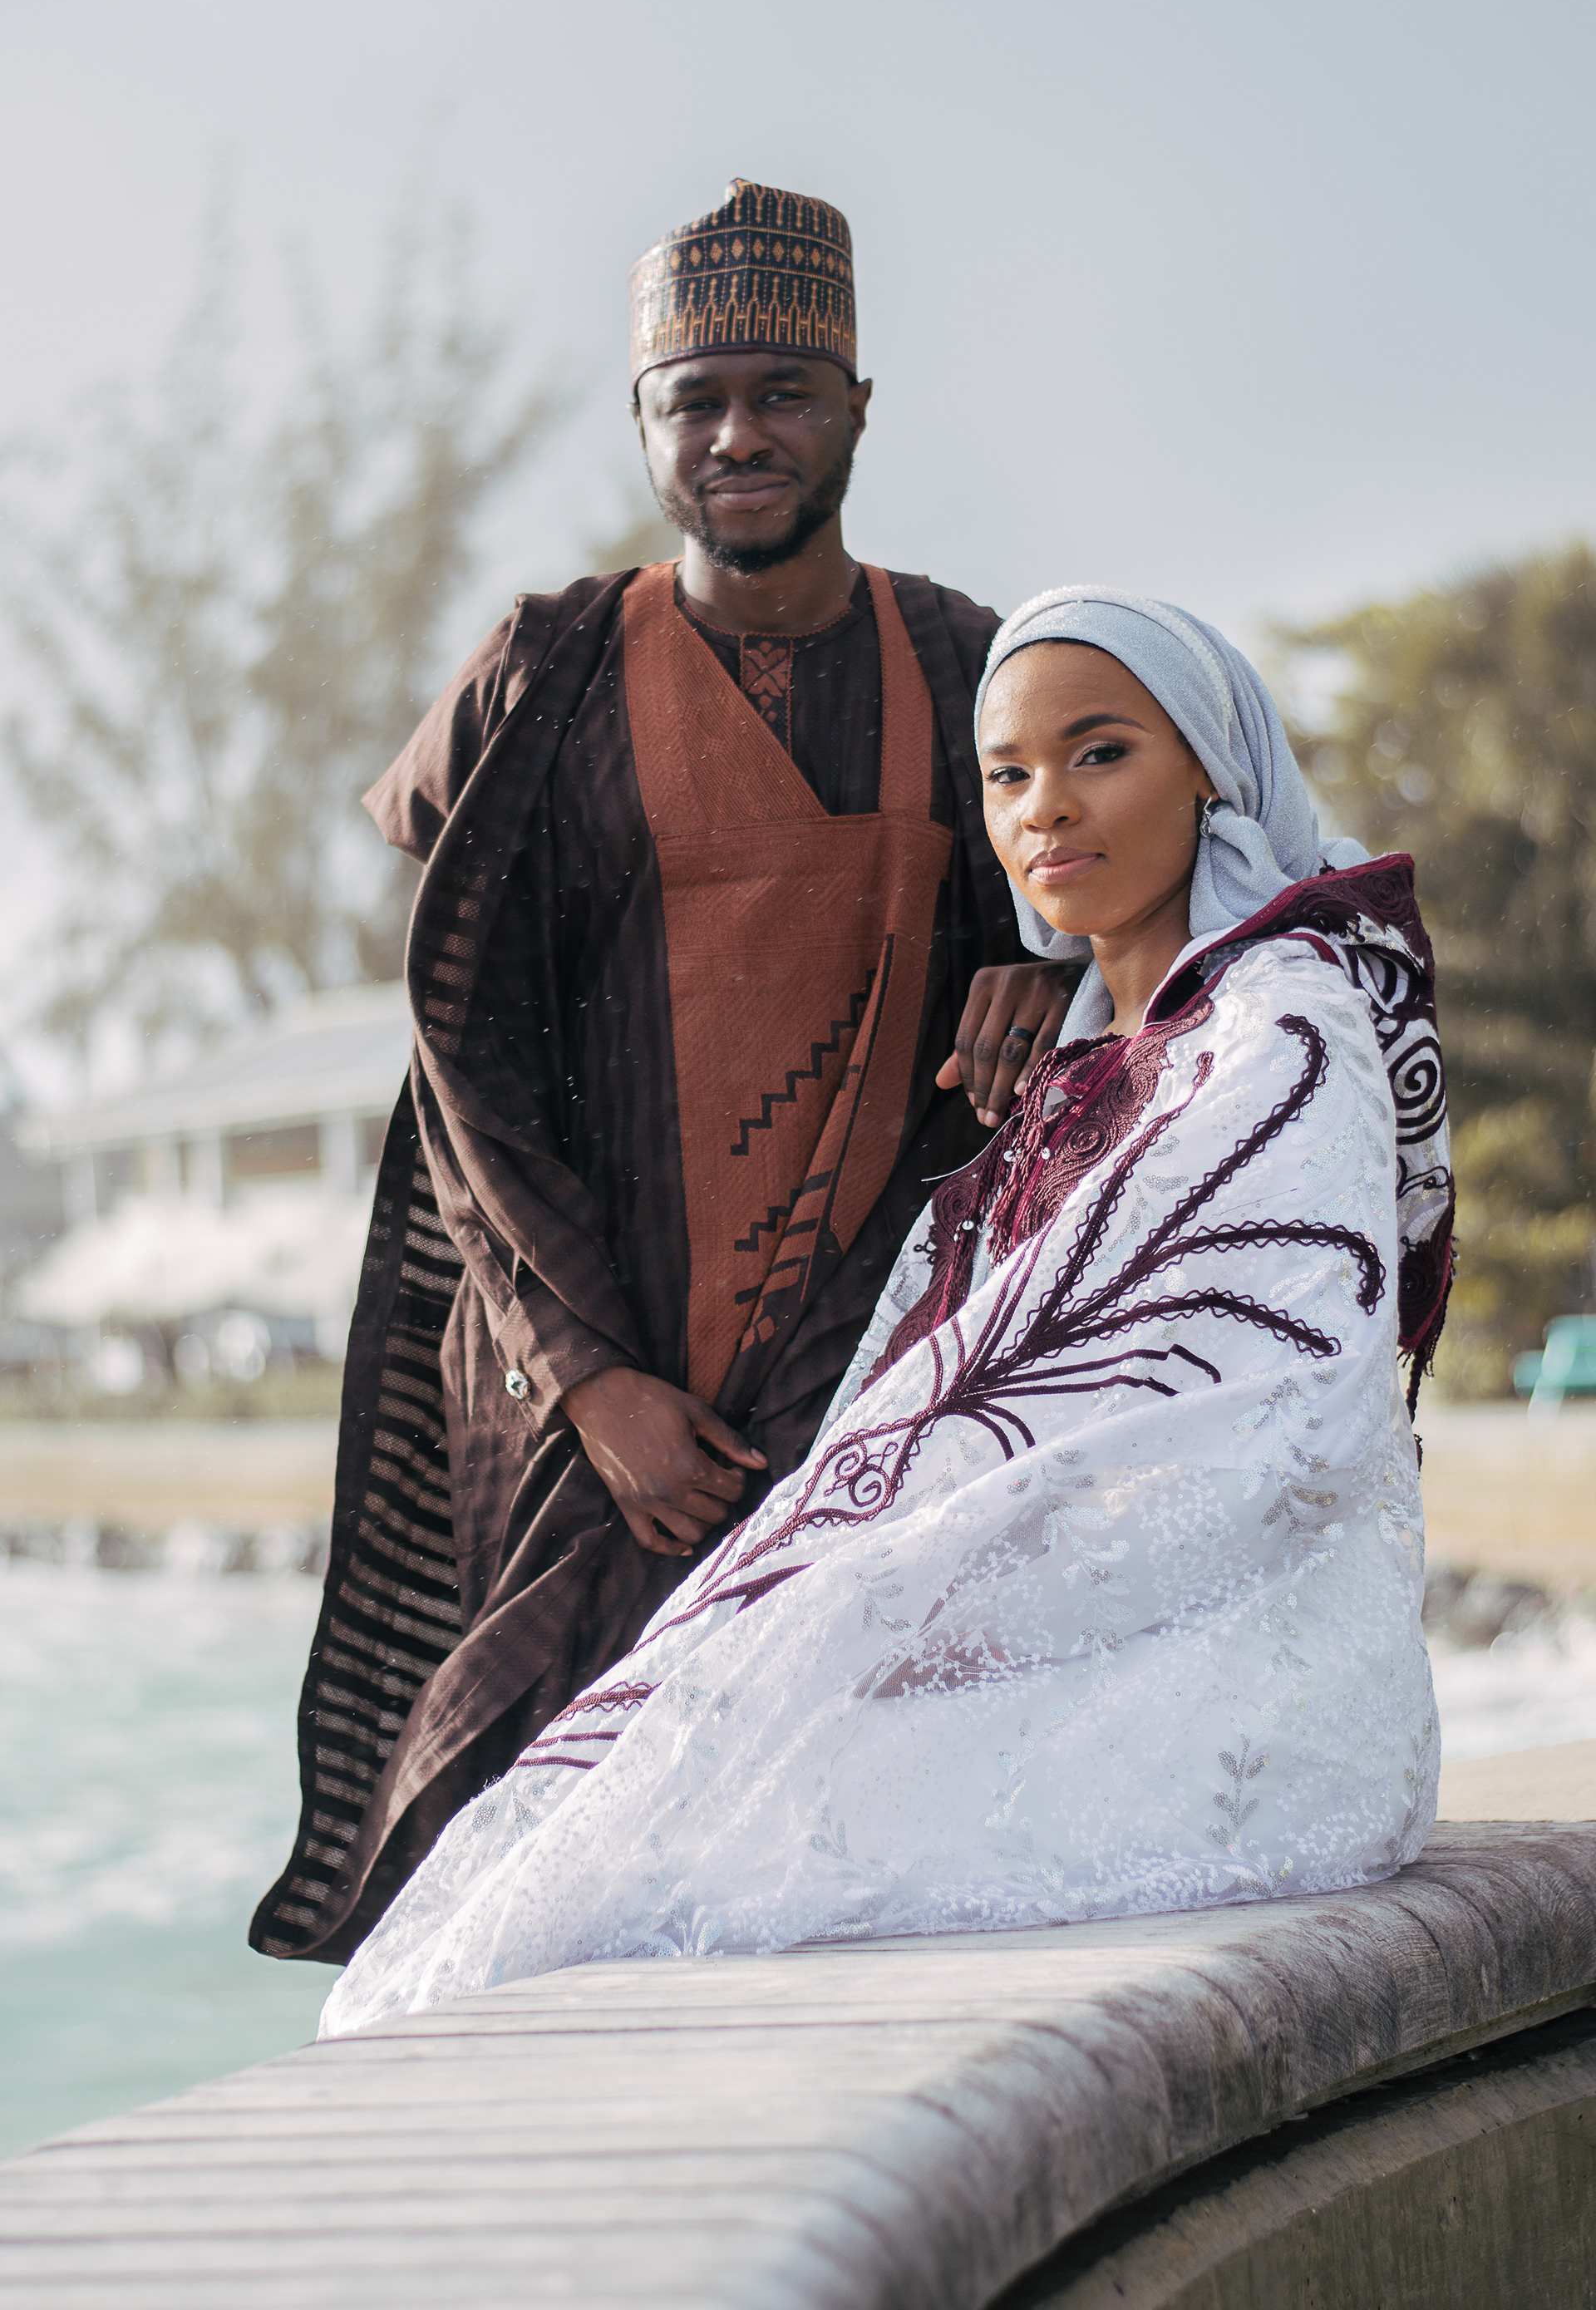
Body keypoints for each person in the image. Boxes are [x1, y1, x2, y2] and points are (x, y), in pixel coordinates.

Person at [318, 585, 1456, 2036]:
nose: (1048, 808)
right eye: (1008, 775)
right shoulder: (1092, 1041)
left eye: (1102, 754)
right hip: (1072, 1647)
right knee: (594, 1830)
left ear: (1212, 771)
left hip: (1224, 1697)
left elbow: (1267, 1410)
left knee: (670, 1849)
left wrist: (905, 1593)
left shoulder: (1276, 1028)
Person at [253, 181, 1073, 1967]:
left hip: (863, 1366)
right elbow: (464, 1052)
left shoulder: (971, 664)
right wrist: (591, 1381)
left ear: (860, 408)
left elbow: (1120, 906)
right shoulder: (541, 674)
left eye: (785, 394)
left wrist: (1047, 966)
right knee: (528, 1827)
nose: (738, 435)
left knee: (840, 1820)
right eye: (694, 400)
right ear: (641, 423)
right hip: (583, 1380)